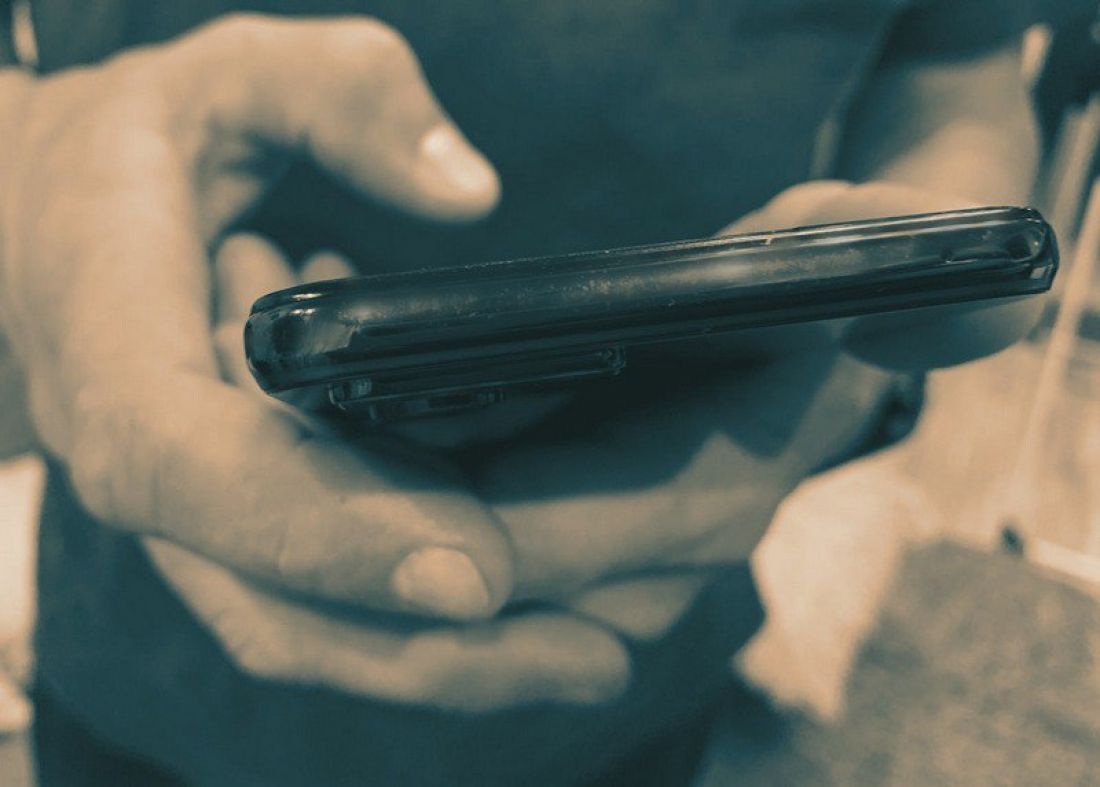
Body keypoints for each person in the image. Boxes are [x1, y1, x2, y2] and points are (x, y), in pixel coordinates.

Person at [0, 1, 1069, 784]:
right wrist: (27, 151)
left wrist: (865, 350)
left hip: (641, 668)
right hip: (142, 662)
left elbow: (954, 68)